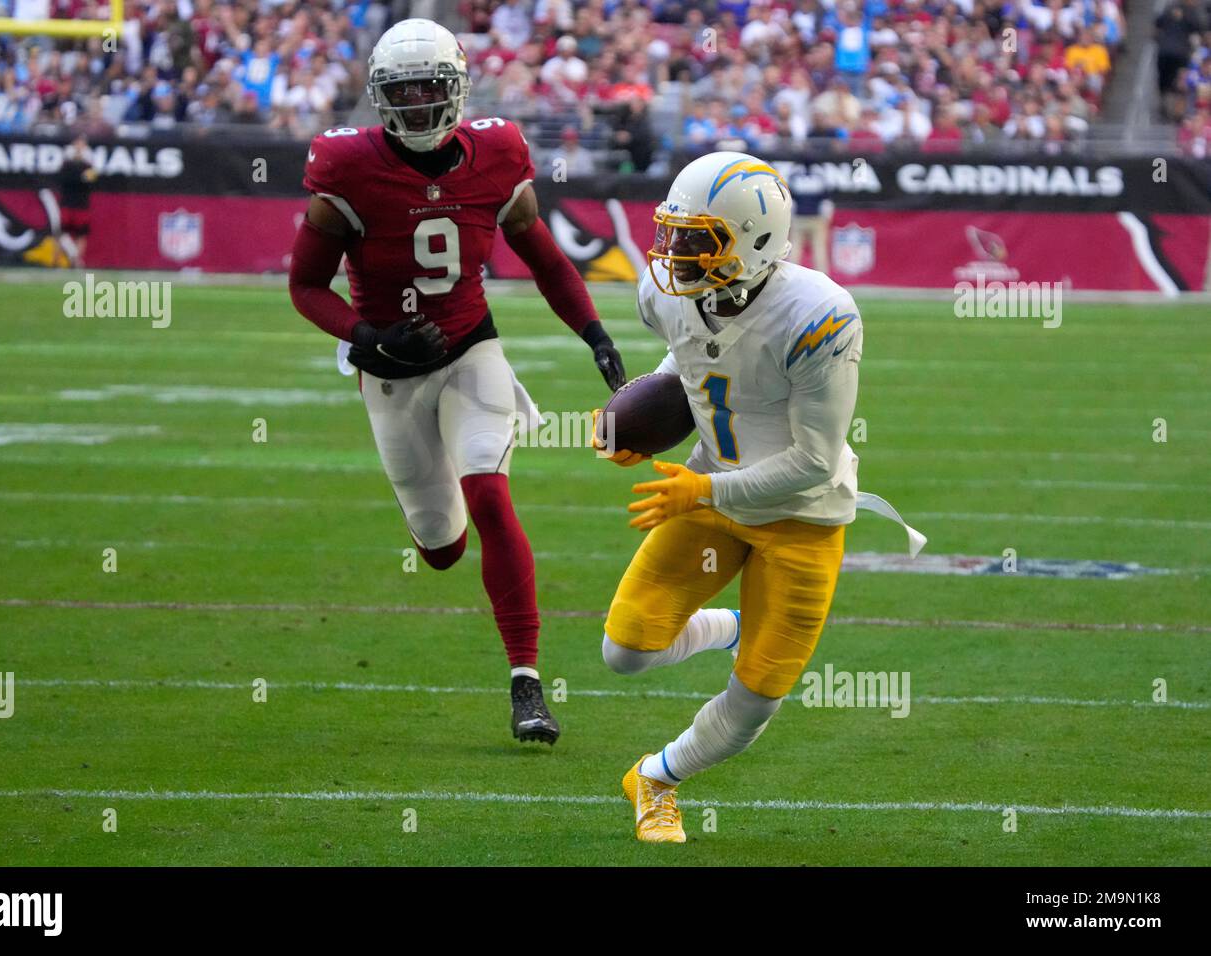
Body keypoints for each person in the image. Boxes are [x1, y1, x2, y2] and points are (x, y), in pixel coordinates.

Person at [287, 19, 627, 745]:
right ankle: (439, 530)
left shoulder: (498, 153)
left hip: (472, 350)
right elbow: (306, 285)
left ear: (457, 89)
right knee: (442, 546)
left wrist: (593, 333)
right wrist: (366, 338)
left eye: (428, 87)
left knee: (492, 499)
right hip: (390, 372)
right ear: (379, 97)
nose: (414, 103)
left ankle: (527, 686)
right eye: (400, 91)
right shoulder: (345, 168)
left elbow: (545, 258)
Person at [595, 153, 923, 842]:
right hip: (711, 492)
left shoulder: (819, 315)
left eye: (696, 238)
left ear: (754, 241)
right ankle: (729, 628)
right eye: (673, 232)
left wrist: (700, 488)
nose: (674, 253)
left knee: (756, 699)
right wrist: (644, 420)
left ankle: (656, 778)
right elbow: (687, 358)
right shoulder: (666, 294)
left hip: (802, 516)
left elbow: (813, 460)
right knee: (624, 650)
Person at [57, 135, 97, 268]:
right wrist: (81, 178)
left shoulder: (89, 165)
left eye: (82, 144)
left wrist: (82, 179)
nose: (79, 147)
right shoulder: (66, 163)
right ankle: (57, 261)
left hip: (81, 203)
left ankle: (76, 261)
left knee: (81, 234)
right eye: (77, 144)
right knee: (62, 234)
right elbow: (64, 180)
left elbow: (91, 182)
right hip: (67, 202)